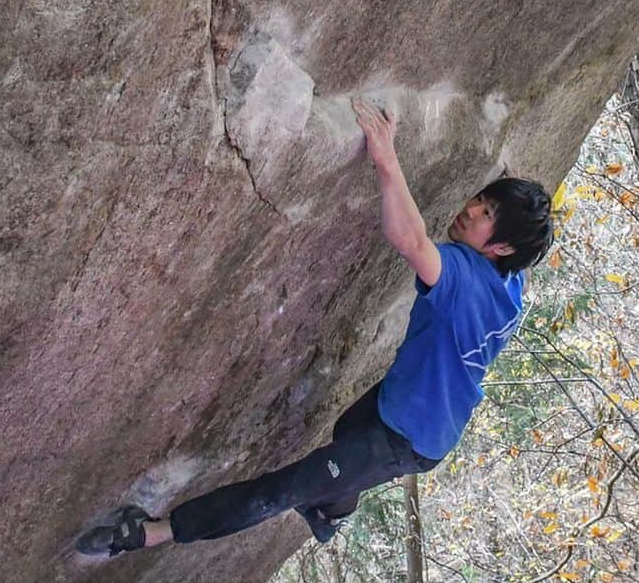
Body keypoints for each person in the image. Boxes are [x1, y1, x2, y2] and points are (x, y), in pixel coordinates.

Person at [77, 99, 553, 558]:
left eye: (487, 214)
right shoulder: (509, 284)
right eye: (482, 200)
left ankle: (149, 533)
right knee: (346, 428)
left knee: (280, 491)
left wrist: (386, 158)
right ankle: (332, 509)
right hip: (409, 405)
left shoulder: (462, 277)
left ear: (503, 247)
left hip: (408, 439)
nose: (471, 209)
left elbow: (409, 240)